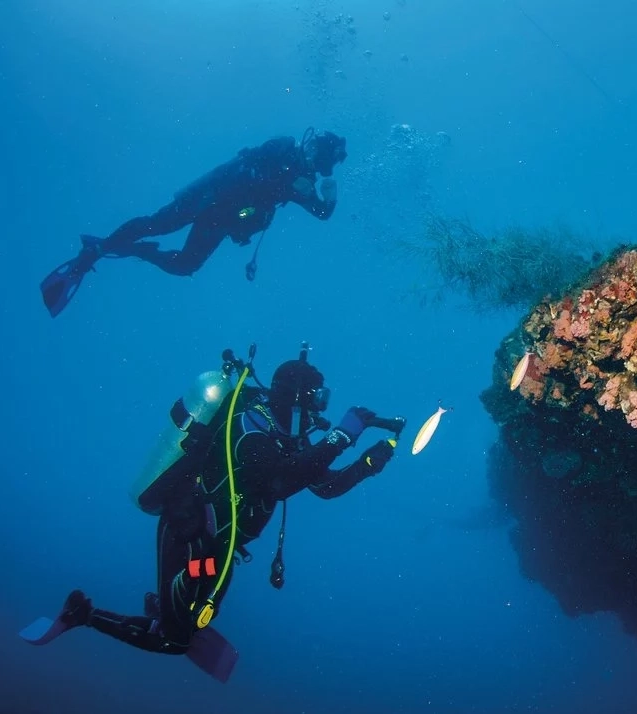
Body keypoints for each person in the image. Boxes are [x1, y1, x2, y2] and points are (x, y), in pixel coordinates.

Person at [40, 346, 402, 677]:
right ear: (294, 397)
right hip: (189, 538)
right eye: (315, 400)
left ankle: (164, 606)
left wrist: (372, 461)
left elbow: (326, 486)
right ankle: (82, 613)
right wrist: (341, 437)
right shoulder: (250, 428)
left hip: (219, 551)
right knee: (174, 641)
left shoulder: (287, 438)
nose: (317, 411)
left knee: (193, 618)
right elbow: (279, 482)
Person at [40, 128, 349, 317]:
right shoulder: (284, 146)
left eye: (322, 162)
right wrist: (287, 178)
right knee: (157, 223)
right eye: (317, 154)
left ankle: (137, 251)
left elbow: (321, 214)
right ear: (314, 146)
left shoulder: (304, 181)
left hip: (223, 219)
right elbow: (252, 162)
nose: (315, 162)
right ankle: (98, 250)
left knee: (185, 266)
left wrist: (328, 199)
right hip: (209, 195)